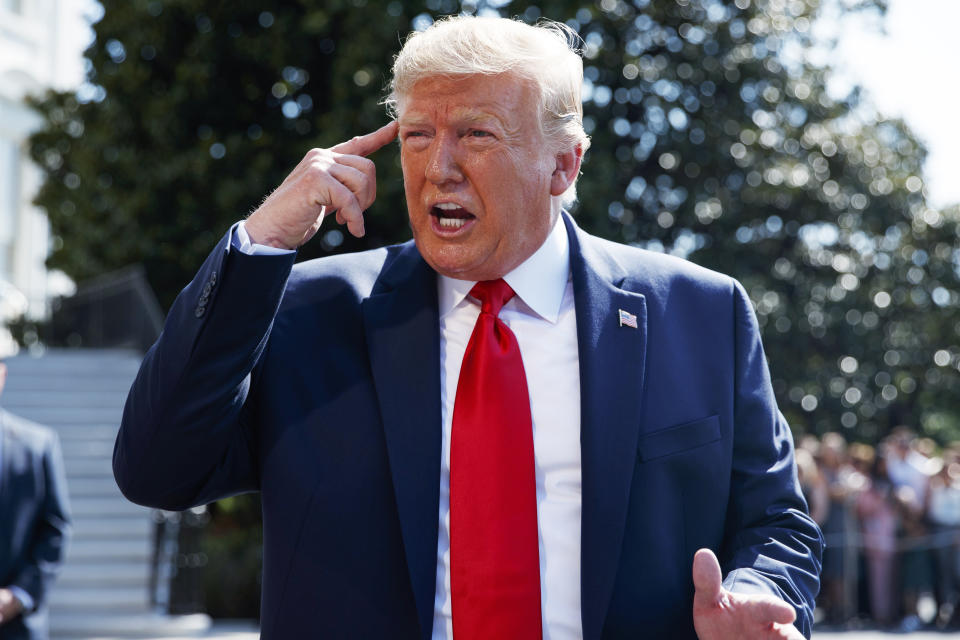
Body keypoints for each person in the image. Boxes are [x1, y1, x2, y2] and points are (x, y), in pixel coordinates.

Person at [113, 15, 822, 640]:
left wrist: (760, 593)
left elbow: (776, 522)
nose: (438, 169)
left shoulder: (699, 312)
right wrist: (263, 240)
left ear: (563, 164)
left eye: (476, 135)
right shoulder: (309, 309)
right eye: (417, 136)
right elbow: (157, 469)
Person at [0, 360, 72, 640]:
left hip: (18, 626)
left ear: (2, 376)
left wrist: (17, 596)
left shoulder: (38, 445)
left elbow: (55, 529)